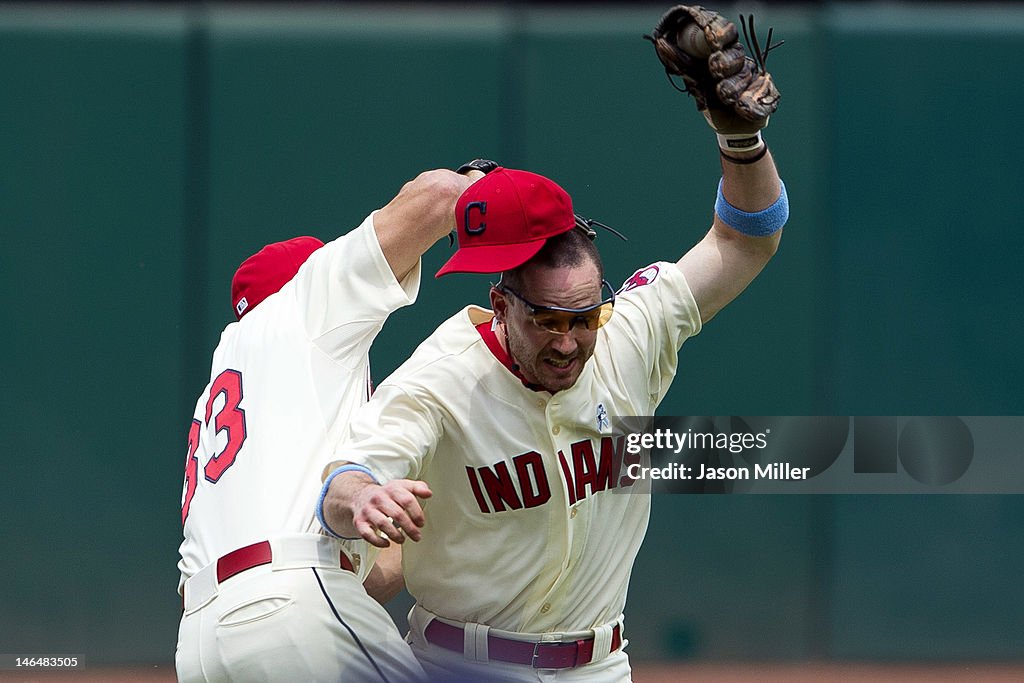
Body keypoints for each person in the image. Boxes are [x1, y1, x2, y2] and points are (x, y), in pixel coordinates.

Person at [317, 8, 789, 679]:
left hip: (599, 664)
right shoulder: (444, 378)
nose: (568, 341)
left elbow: (746, 237)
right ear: (503, 305)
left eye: (583, 317)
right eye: (547, 319)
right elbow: (348, 473)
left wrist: (741, 141)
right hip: (460, 664)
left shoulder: (630, 331)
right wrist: (361, 495)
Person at [175, 165, 485, 682]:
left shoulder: (228, 388)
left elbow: (368, 576)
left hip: (202, 643)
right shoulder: (304, 305)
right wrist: (485, 185)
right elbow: (437, 194)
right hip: (290, 598)